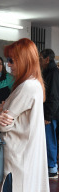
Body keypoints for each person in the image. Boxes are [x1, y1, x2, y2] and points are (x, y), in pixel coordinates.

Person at [0, 38, 50, 192]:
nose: (8, 66)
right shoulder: (34, 84)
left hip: (16, 161)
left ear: (24, 60)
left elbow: (2, 125)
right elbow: (0, 114)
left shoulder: (25, 87)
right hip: (25, 159)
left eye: (11, 60)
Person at [39, 49, 59, 177]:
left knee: (50, 140)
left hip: (52, 115)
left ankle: (52, 167)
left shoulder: (52, 73)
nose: (39, 61)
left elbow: (53, 96)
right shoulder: (49, 72)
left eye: (41, 58)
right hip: (52, 113)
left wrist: (48, 116)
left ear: (47, 59)